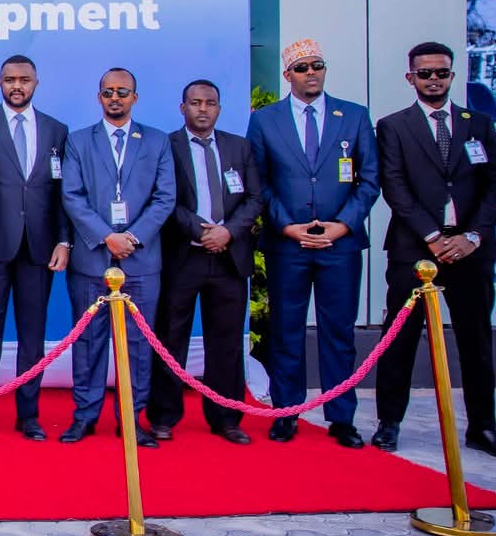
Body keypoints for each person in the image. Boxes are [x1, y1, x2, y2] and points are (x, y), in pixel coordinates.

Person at [373, 42, 496, 458]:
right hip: (414, 251)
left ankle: (484, 427)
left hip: (470, 251)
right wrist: (433, 236)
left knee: (476, 341)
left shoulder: (479, 123)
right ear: (410, 78)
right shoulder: (394, 126)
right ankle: (389, 423)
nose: (433, 79)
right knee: (399, 338)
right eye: (425, 73)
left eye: (441, 73)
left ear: (452, 76)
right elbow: (395, 187)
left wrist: (471, 236)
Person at [245, 39, 379, 447]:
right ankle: (287, 412)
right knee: (286, 331)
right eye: (302, 68)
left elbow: (369, 178)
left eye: (317, 65)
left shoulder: (353, 116)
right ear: (288, 75)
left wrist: (343, 225)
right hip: (288, 245)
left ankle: (341, 417)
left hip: (340, 245)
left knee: (338, 332)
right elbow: (259, 182)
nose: (311, 73)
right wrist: (287, 227)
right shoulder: (265, 120)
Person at [60, 68, 175, 446]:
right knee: (88, 343)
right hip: (93, 259)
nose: (115, 98)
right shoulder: (78, 141)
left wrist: (133, 237)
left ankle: (131, 418)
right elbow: (72, 196)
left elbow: (164, 198)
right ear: (98, 97)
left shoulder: (157, 142)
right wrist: (108, 237)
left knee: (140, 348)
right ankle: (84, 416)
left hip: (141, 261)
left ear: (134, 98)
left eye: (122, 92)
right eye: (107, 91)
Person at [0, 55, 71, 441]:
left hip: (39, 248)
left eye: (24, 79)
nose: (17, 86)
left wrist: (63, 239)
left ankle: (29, 415)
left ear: (37, 82)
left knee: (32, 336)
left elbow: (62, 193)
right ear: (0, 82)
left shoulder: (57, 130)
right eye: (10, 79)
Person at [148, 80, 264, 445]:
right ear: (182, 107)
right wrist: (201, 229)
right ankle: (164, 417)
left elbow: (255, 198)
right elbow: (163, 199)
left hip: (229, 257)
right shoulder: (166, 146)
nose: (203, 109)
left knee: (227, 342)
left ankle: (227, 418)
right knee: (171, 339)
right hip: (184, 256)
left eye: (210, 103)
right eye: (195, 103)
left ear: (219, 108)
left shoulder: (238, 147)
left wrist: (227, 232)